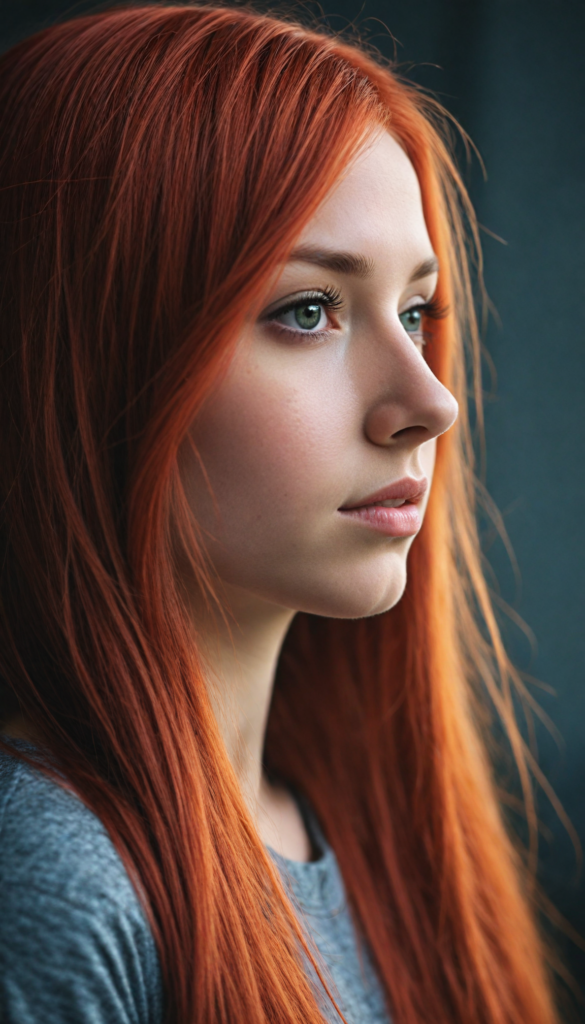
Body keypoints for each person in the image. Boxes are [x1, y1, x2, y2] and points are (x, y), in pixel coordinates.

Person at [0, 4, 561, 1023]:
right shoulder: (58, 885)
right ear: (89, 360)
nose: (429, 401)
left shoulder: (365, 833)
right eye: (308, 310)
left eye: (416, 313)